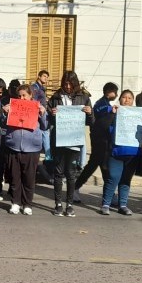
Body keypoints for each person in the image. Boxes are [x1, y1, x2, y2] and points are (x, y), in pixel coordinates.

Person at [47, 70, 94, 217]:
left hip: (74, 140)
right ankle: (58, 204)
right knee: (58, 172)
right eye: (65, 83)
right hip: (59, 140)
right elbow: (47, 119)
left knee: (71, 173)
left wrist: (89, 112)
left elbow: (91, 122)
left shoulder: (84, 97)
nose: (67, 86)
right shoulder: (55, 97)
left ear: (75, 83)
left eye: (70, 83)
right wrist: (51, 114)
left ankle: (70, 205)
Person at [2, 84, 47, 215]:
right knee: (14, 177)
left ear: (30, 96)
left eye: (24, 95)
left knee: (29, 178)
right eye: (19, 95)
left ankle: (27, 204)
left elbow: (45, 126)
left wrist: (43, 113)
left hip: (32, 148)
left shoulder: (37, 107)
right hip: (13, 146)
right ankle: (15, 202)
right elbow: (3, 123)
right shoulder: (12, 106)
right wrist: (5, 113)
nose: (21, 98)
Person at [75, 82, 119, 201]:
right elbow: (101, 115)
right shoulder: (102, 104)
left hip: (103, 140)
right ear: (109, 92)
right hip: (99, 140)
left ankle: (110, 194)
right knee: (99, 166)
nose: (116, 94)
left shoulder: (104, 103)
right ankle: (75, 188)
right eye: (115, 92)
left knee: (102, 167)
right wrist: (112, 110)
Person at [101, 89, 142, 216]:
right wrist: (112, 114)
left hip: (133, 153)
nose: (127, 100)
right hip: (116, 152)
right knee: (113, 177)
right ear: (120, 99)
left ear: (133, 101)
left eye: (130, 98)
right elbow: (104, 127)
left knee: (126, 179)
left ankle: (122, 205)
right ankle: (106, 204)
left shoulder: (139, 114)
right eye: (124, 97)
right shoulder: (114, 112)